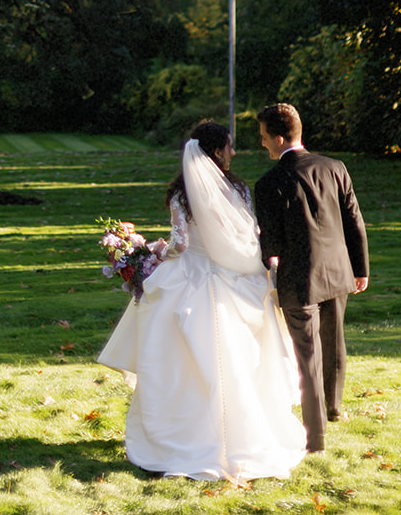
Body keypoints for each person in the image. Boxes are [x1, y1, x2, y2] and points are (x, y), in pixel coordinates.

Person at [98, 118, 306, 482]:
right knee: (236, 362)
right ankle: (241, 436)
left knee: (180, 365)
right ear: (217, 151)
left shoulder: (181, 194)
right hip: (233, 279)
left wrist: (155, 251)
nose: (233, 151)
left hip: (188, 278)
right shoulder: (238, 189)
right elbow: (248, 235)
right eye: (229, 145)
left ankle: (181, 437)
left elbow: (179, 242)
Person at [254, 102, 369, 455]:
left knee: (308, 355)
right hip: (339, 271)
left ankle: (315, 438)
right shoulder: (335, 167)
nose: (262, 145)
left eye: (263, 138)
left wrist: (262, 258)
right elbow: (354, 221)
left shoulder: (268, 183)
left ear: (278, 138)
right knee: (334, 342)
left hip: (299, 279)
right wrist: (360, 268)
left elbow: (270, 242)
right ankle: (334, 407)